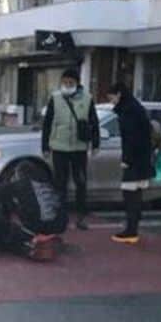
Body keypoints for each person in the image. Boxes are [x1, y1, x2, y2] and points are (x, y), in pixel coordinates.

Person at [41, 68, 100, 230]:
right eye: (65, 82)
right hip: (59, 147)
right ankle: (60, 216)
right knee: (60, 182)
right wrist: (45, 146)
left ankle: (81, 216)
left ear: (77, 83)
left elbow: (94, 122)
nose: (67, 85)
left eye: (71, 83)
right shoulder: (55, 98)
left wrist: (96, 143)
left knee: (80, 181)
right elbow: (47, 123)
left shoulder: (87, 99)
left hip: (79, 148)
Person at [106, 82, 155, 244]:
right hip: (142, 158)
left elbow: (130, 138)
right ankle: (133, 226)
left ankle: (131, 230)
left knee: (130, 194)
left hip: (135, 160)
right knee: (135, 193)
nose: (111, 101)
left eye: (111, 97)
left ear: (119, 94)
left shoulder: (128, 111)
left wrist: (126, 159)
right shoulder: (134, 107)